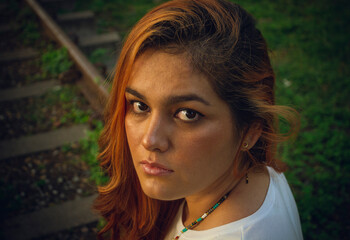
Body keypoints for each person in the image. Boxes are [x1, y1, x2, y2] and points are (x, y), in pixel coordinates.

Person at [94, 0, 303, 239]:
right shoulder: (255, 176)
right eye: (140, 106)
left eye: (188, 114)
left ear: (250, 131)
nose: (150, 140)